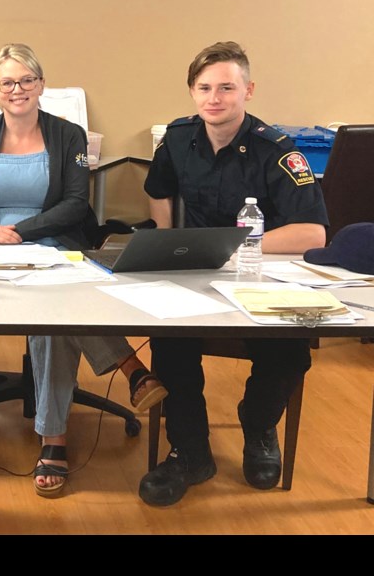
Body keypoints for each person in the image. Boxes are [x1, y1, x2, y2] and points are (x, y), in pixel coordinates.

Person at [0, 43, 167, 498]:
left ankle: (53, 439)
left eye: (26, 80)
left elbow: (74, 204)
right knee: (57, 307)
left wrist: (21, 231)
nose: (17, 89)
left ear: (41, 85)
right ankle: (129, 366)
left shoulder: (68, 135)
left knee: (52, 317)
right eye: (7, 82)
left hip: (54, 244)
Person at [139, 41, 328, 506]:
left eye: (227, 87)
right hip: (197, 271)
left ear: (249, 90)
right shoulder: (179, 139)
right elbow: (157, 190)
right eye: (204, 88)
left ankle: (259, 424)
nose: (214, 98)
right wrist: (167, 238)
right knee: (167, 341)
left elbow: (314, 234)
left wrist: (239, 247)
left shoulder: (278, 151)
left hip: (262, 273)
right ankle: (191, 452)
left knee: (290, 347)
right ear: (192, 92)